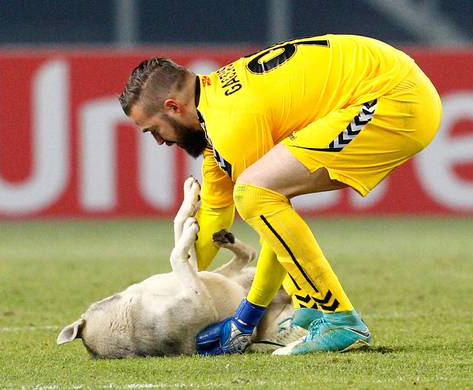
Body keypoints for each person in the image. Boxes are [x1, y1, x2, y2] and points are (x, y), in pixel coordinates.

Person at [119, 34, 442, 355]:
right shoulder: (215, 109)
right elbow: (216, 214)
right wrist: (167, 290)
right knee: (258, 195)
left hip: (394, 98)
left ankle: (339, 319)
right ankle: (311, 307)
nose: (159, 141)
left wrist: (246, 317)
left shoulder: (232, 123)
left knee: (256, 194)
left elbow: (262, 208)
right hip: (391, 83)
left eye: (153, 130)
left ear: (173, 107)